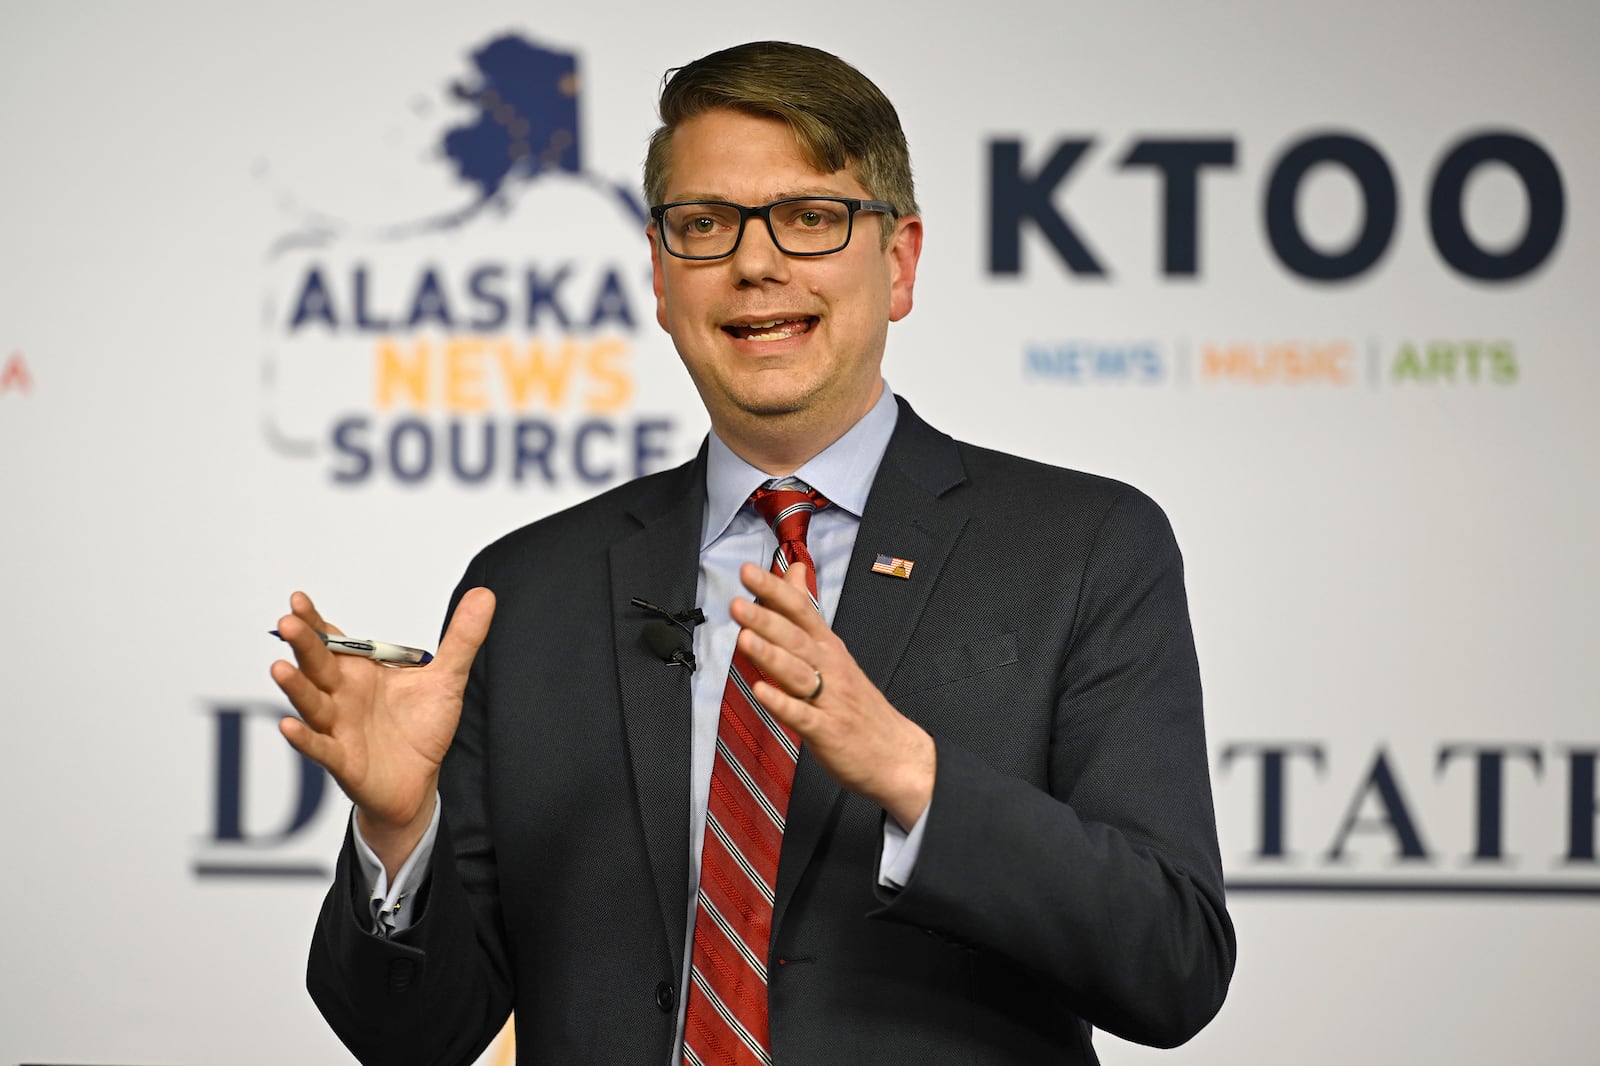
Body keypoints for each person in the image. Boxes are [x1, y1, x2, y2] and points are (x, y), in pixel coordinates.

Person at [272, 40, 1235, 1066]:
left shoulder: (1082, 548)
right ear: (658, 275)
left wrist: (911, 774)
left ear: (899, 261)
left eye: (810, 218)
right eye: (704, 225)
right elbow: (408, 1037)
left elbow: (1172, 964)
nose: (755, 262)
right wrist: (397, 832)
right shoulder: (529, 589)